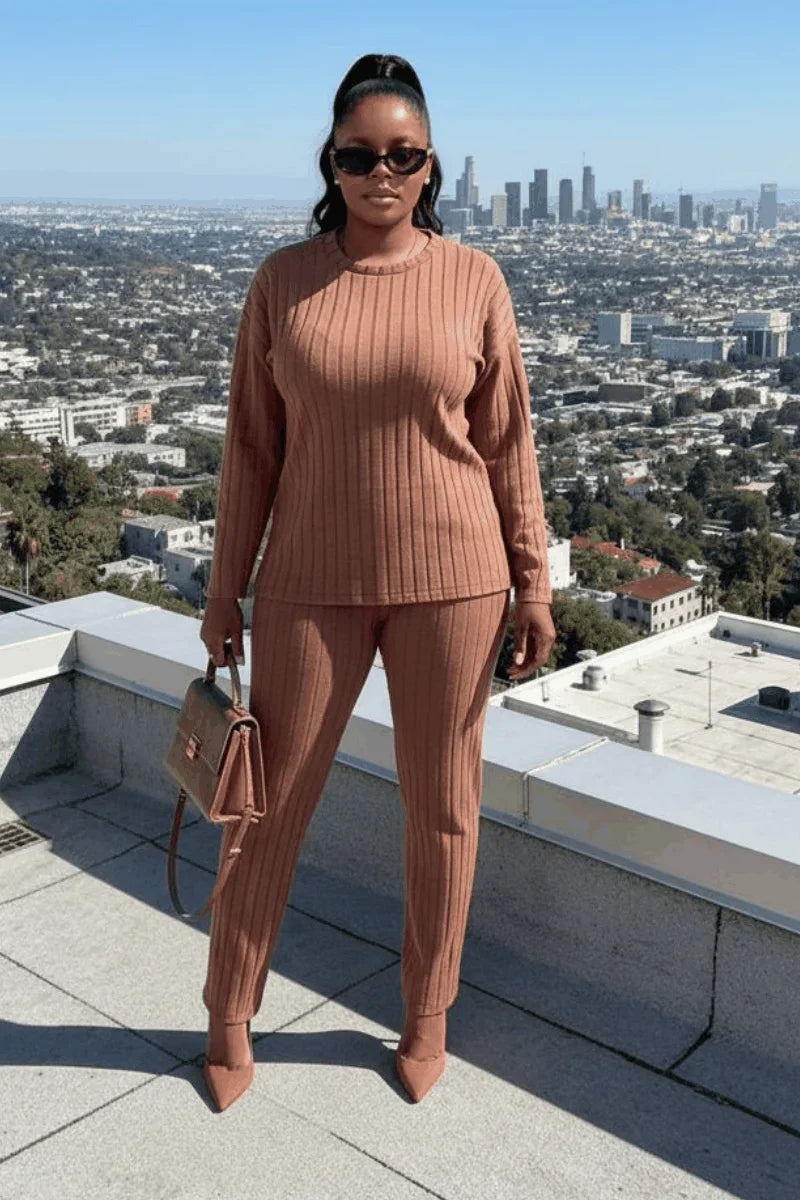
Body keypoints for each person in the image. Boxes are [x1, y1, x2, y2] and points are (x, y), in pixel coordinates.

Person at [198, 52, 555, 1110]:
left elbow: (507, 444)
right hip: (308, 579)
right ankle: (227, 1014)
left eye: (402, 154)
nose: (381, 172)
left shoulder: (474, 279)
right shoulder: (283, 281)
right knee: (264, 812)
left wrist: (531, 581)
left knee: (443, 809)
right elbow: (249, 453)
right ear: (332, 161)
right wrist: (225, 592)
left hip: (456, 582)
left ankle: (426, 1012)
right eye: (360, 155)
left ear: (430, 163)